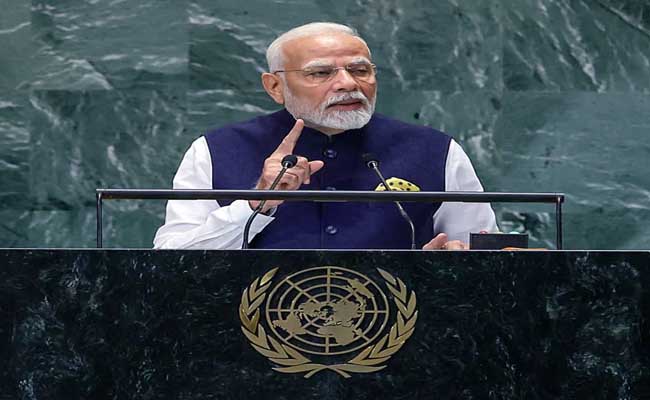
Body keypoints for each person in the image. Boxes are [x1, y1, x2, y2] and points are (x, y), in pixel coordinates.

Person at [153, 22, 498, 250]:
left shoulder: (436, 151)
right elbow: (171, 259)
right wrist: (255, 204)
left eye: (360, 70)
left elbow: (482, 252)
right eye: (321, 72)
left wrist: (446, 267)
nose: (348, 83)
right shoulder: (215, 151)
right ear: (275, 86)